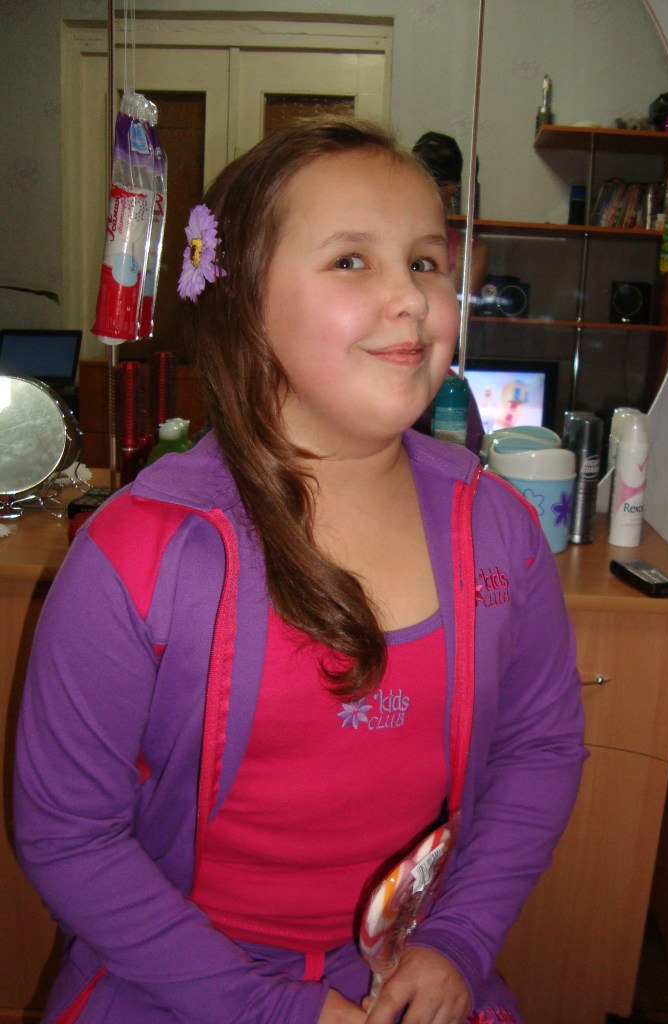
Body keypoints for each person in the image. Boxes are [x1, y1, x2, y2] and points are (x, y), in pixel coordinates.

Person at [13, 117, 586, 1024]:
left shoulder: (499, 532)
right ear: (245, 303)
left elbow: (539, 748)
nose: (409, 297)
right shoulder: (141, 555)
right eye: (352, 260)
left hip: (412, 976)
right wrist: (271, 1008)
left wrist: (460, 940)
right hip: (180, 984)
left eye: (426, 261)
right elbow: (69, 835)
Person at [412, 131, 489, 299]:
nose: (430, 192)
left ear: (454, 187)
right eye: (423, 182)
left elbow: (460, 310)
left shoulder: (472, 251)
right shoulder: (388, 237)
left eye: (439, 184)